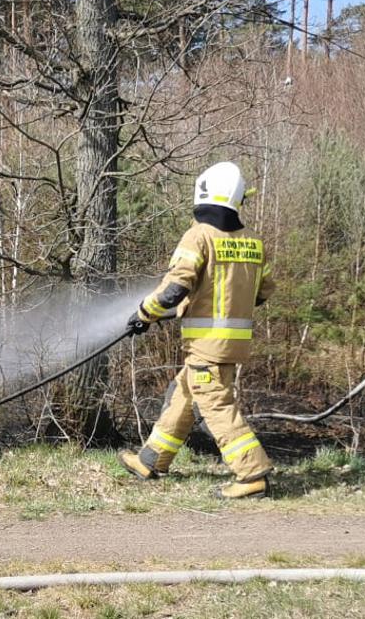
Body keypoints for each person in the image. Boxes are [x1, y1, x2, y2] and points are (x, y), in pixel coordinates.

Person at [116, 161, 276, 499]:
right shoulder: (254, 242)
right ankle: (152, 460)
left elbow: (175, 288)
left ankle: (251, 474)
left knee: (216, 406)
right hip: (232, 343)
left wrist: (145, 313)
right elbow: (263, 292)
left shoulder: (199, 235)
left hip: (207, 344)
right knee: (184, 394)